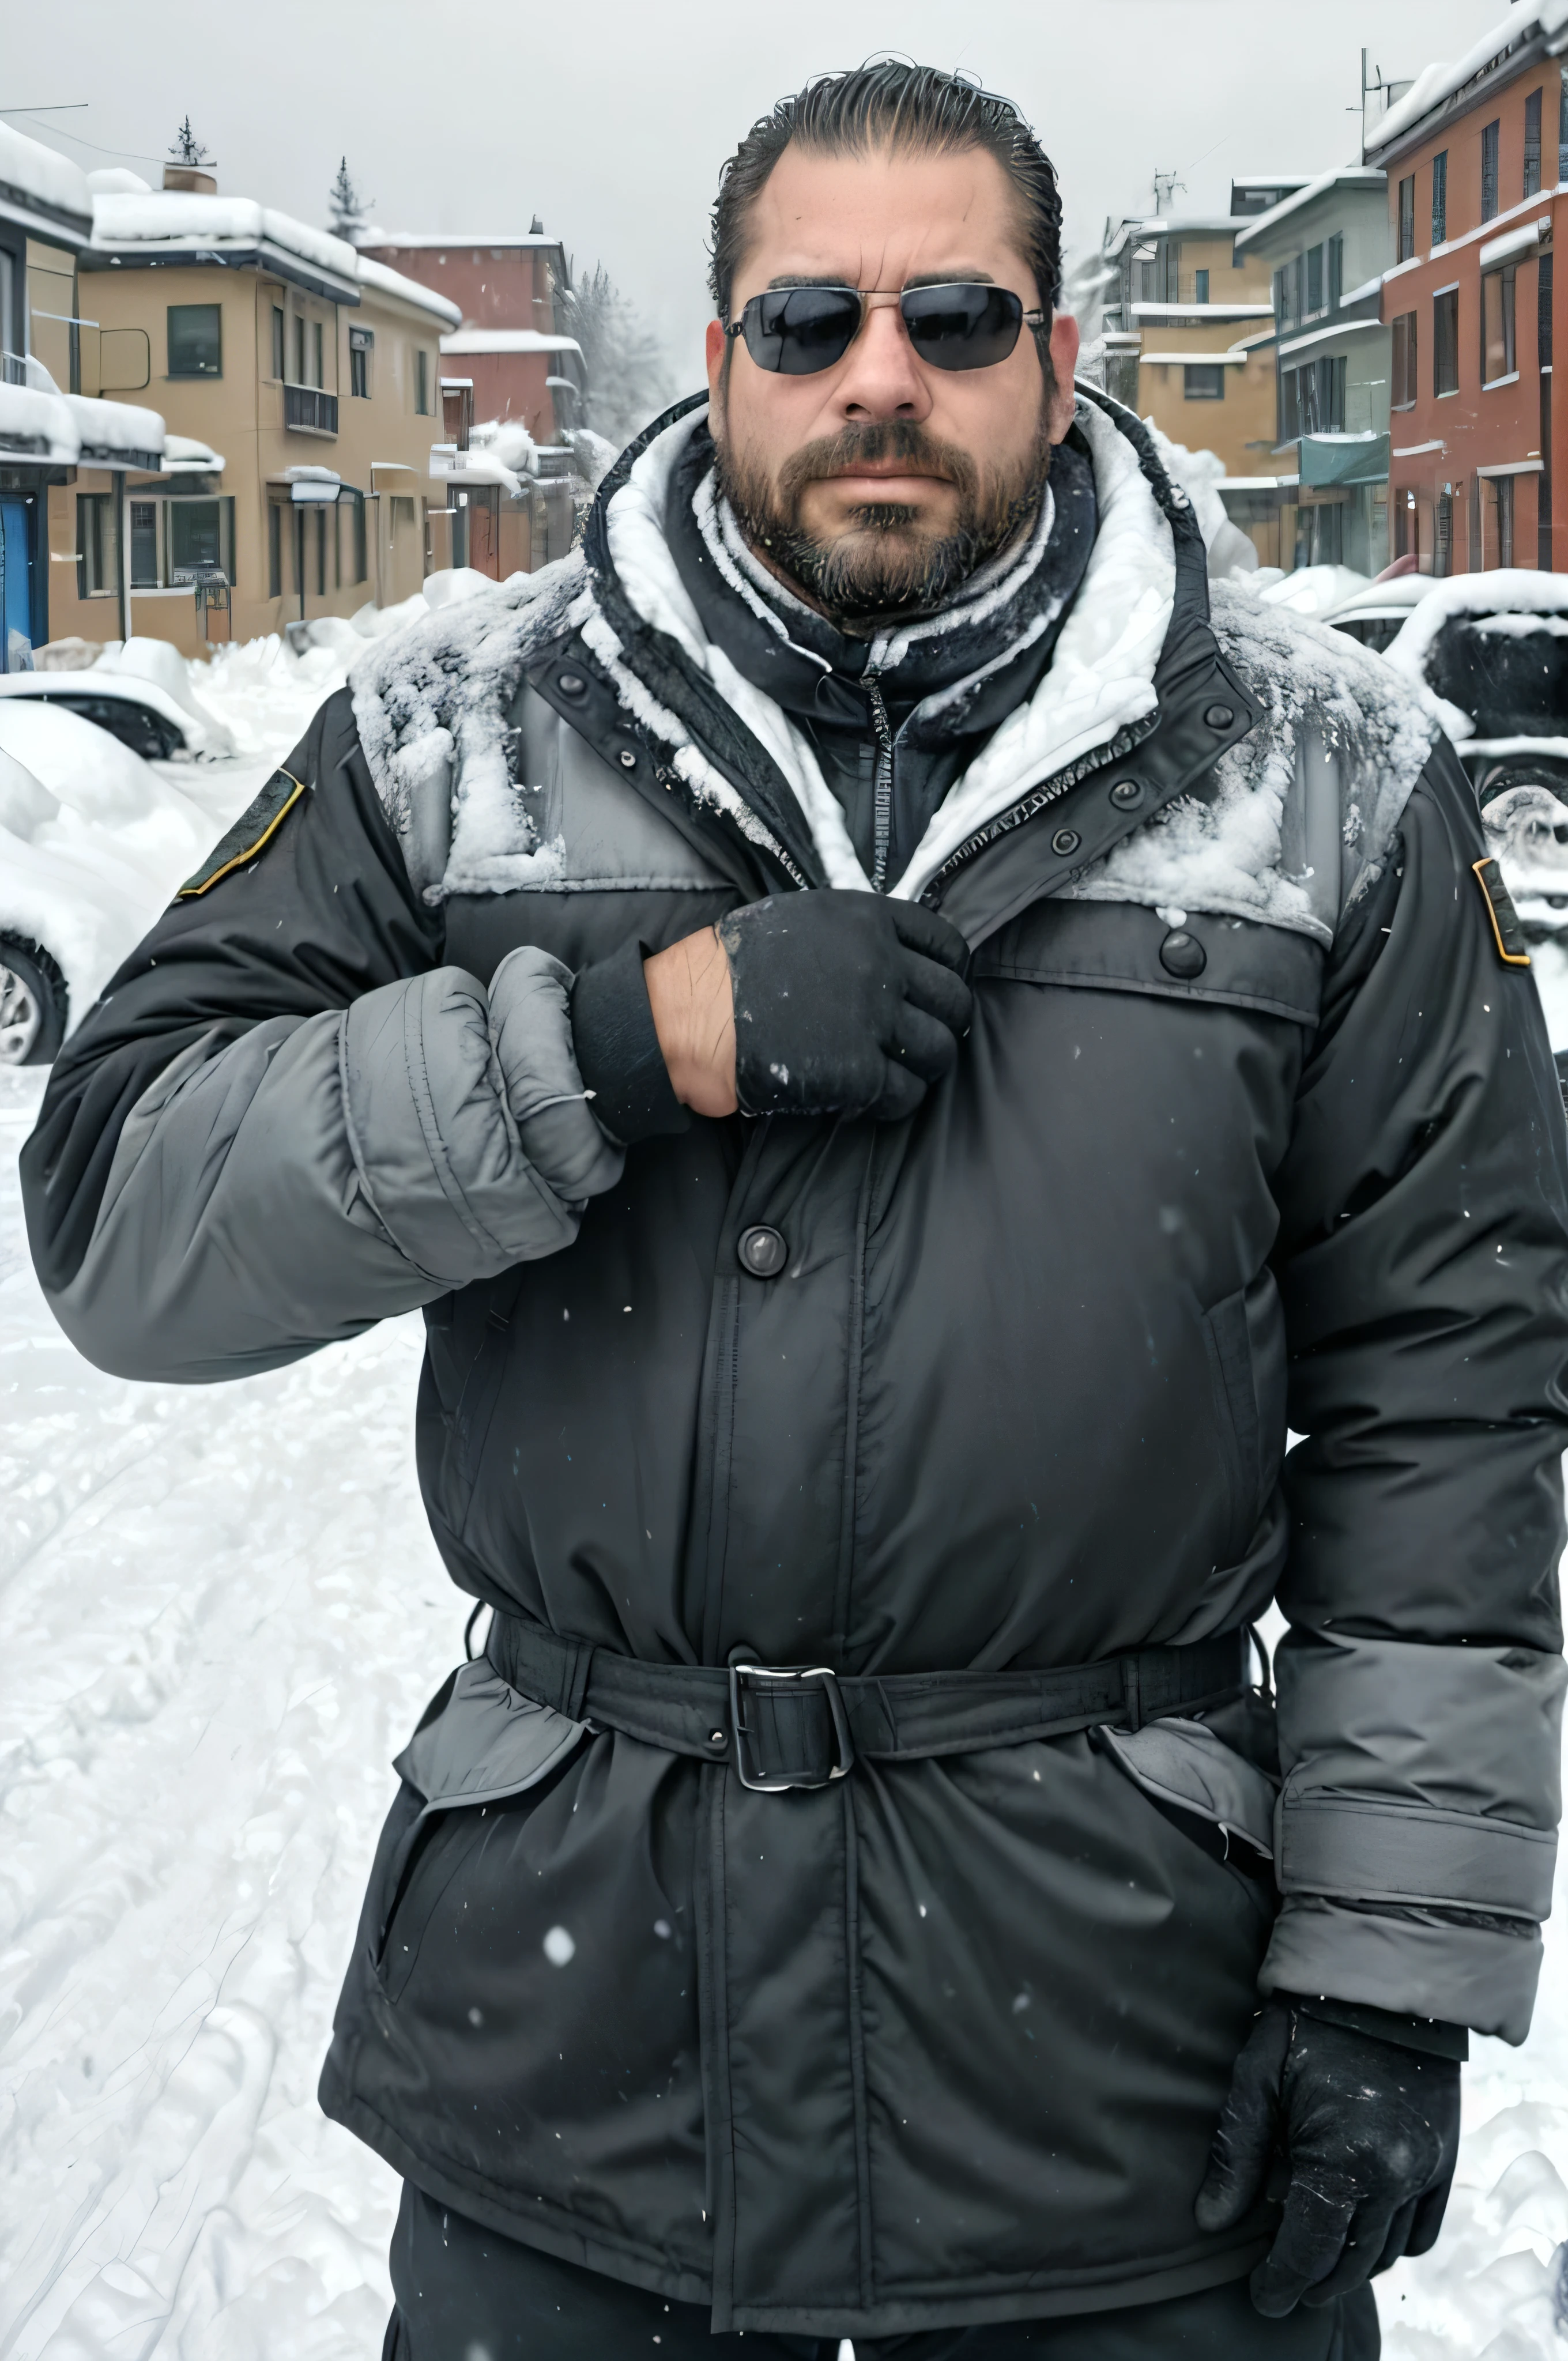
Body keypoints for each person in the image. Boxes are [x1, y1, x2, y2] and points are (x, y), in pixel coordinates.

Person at [21, 62, 1568, 2361]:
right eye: (804, 318)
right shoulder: (449, 734)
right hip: (576, 2083)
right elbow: (129, 1214)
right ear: (726, 348)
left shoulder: (1320, 779)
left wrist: (1383, 1964)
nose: (878, 374)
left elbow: (1445, 1391)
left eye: (955, 317)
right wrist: (606, 1051)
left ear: (1057, 361)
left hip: (1117, 2082)